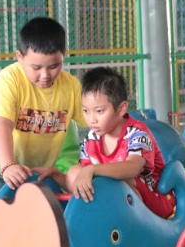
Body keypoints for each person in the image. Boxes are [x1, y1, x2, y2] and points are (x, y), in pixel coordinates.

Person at [0, 16, 86, 247]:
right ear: (20, 57)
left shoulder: (70, 87)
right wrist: (8, 165)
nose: (45, 75)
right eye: (36, 67)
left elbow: (94, 121)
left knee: (46, 235)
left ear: (63, 56)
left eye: (54, 66)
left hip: (37, 173)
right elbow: (2, 124)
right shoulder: (9, 80)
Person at [63, 67, 176, 219]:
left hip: (154, 202)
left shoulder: (136, 133)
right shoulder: (92, 137)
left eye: (99, 111)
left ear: (121, 108)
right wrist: (56, 176)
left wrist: (93, 169)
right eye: (86, 111)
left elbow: (133, 168)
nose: (91, 119)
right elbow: (81, 177)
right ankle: (95, 218)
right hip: (117, 201)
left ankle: (121, 224)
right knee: (74, 171)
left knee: (121, 179)